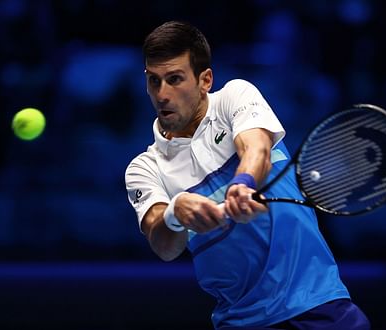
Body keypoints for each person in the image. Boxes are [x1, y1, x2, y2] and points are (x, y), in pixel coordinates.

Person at [125, 21, 370, 330]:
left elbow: (257, 147)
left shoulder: (234, 96)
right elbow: (163, 245)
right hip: (241, 321)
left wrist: (243, 184)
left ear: (205, 80)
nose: (162, 94)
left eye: (174, 79)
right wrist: (175, 214)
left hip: (318, 304)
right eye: (154, 81)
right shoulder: (145, 167)